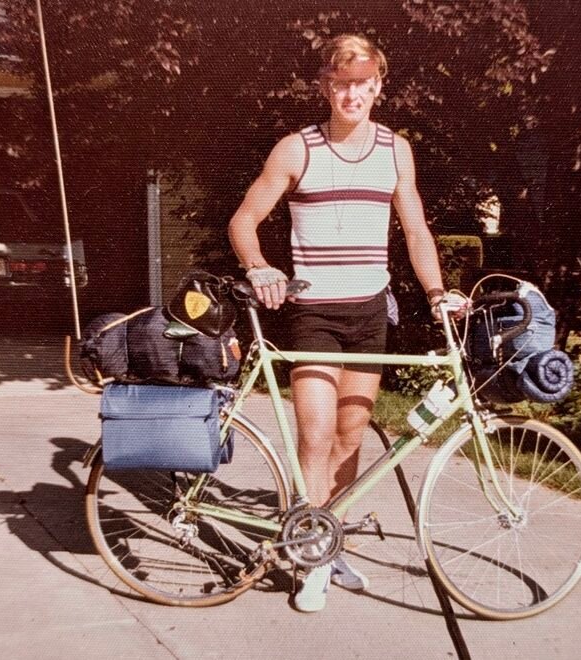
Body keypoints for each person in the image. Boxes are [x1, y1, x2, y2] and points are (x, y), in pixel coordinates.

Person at [228, 34, 465, 612]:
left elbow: (416, 231)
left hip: (368, 313)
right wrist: (259, 267)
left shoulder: (395, 151)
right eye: (341, 83)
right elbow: (243, 222)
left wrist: (436, 294)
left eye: (363, 84)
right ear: (326, 87)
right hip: (314, 314)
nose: (352, 94)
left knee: (350, 436)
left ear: (378, 87)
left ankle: (329, 539)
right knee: (315, 434)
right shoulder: (296, 150)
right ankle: (311, 556)